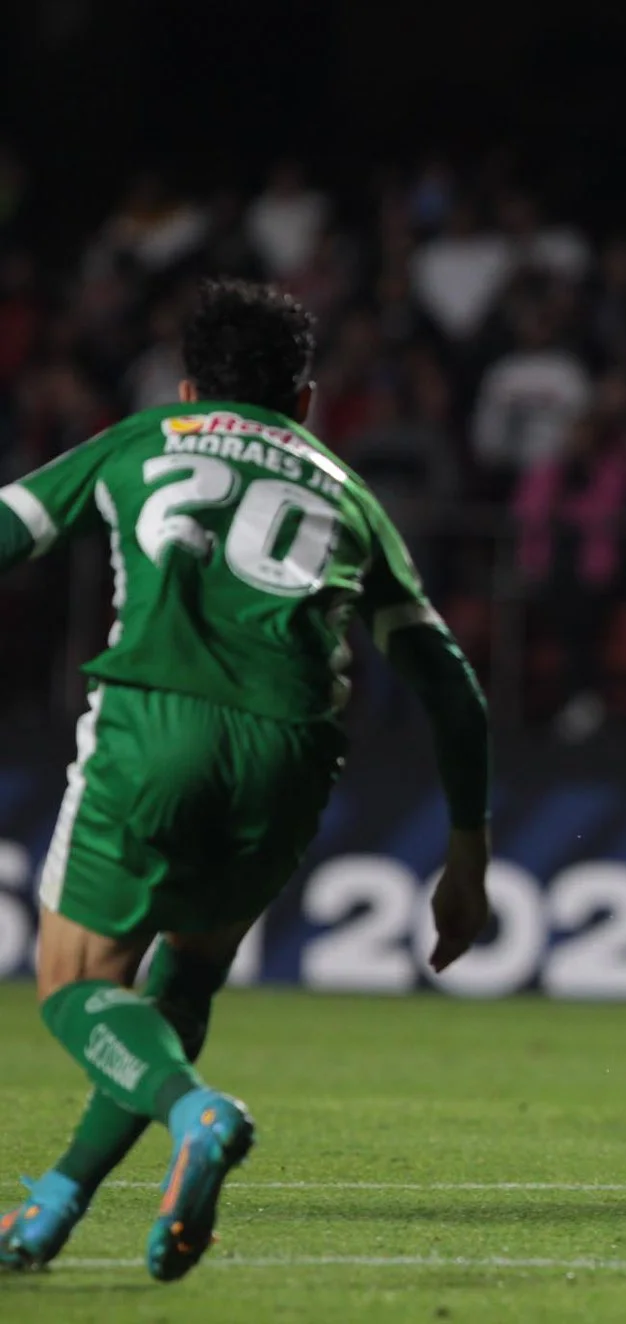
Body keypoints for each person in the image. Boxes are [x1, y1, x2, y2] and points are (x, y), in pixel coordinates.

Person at [0, 280, 493, 1279]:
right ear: (304, 400)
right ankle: (56, 1203)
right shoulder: (350, 491)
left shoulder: (143, 435)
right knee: (181, 981)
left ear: (188, 382)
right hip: (293, 755)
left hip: (155, 723)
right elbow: (451, 686)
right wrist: (468, 850)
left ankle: (198, 1112)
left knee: (72, 986)